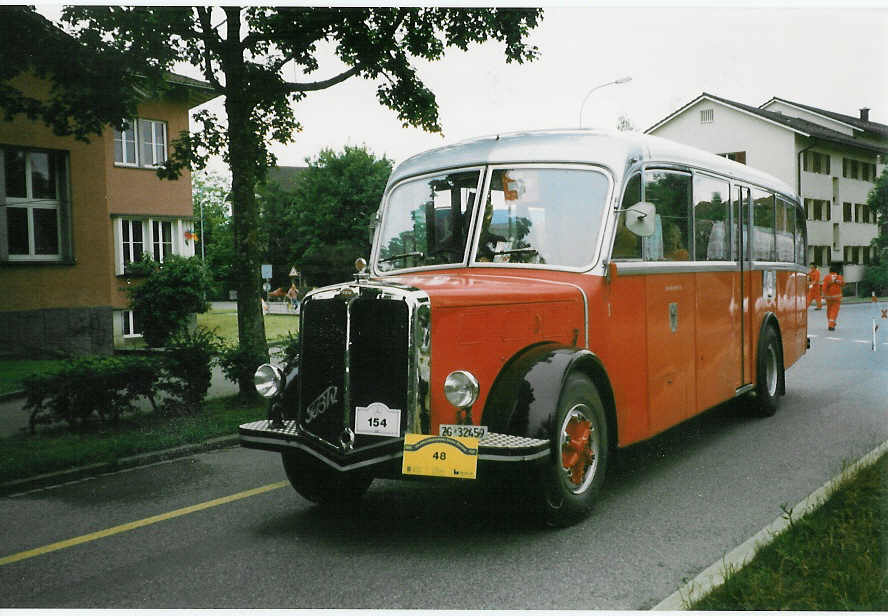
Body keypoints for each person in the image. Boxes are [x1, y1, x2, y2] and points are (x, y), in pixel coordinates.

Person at [821, 263, 844, 331]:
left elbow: (824, 287)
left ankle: (831, 323)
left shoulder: (827, 277)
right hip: (837, 297)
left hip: (828, 297)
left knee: (829, 310)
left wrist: (823, 295)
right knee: (834, 311)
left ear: (830, 271)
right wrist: (837, 281)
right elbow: (843, 283)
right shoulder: (839, 276)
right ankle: (831, 324)